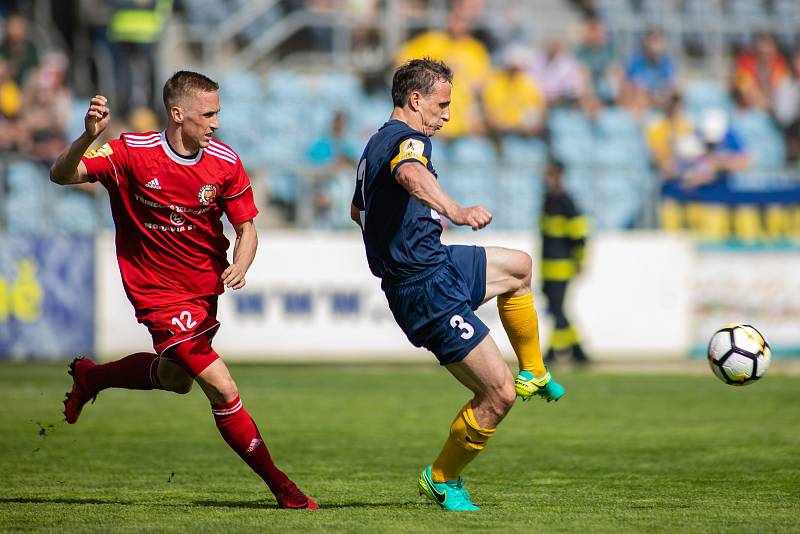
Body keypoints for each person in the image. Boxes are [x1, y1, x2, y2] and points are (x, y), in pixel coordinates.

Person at [49, 70, 317, 510]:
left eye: (218, 113)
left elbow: (247, 227)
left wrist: (241, 263)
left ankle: (92, 377)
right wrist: (86, 137)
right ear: (178, 114)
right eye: (208, 114)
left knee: (176, 380)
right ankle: (283, 489)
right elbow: (62, 175)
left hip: (202, 290)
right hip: (156, 292)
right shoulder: (131, 153)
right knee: (223, 387)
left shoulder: (225, 162)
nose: (216, 123)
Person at [350, 58, 564, 512]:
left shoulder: (373, 146)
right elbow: (410, 175)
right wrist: (456, 211)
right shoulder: (408, 142)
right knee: (498, 395)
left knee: (521, 268)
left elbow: (358, 212)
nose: (447, 115)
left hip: (437, 262)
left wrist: (403, 232)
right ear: (415, 100)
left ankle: (535, 370)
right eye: (442, 105)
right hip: (423, 287)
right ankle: (443, 477)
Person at [539, 159, 590, 365]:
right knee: (557, 309)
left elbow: (578, 234)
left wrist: (579, 259)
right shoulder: (547, 199)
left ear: (559, 175)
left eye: (551, 174)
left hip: (561, 265)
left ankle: (554, 351)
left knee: (558, 309)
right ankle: (577, 351)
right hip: (548, 265)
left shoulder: (565, 201)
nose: (548, 179)